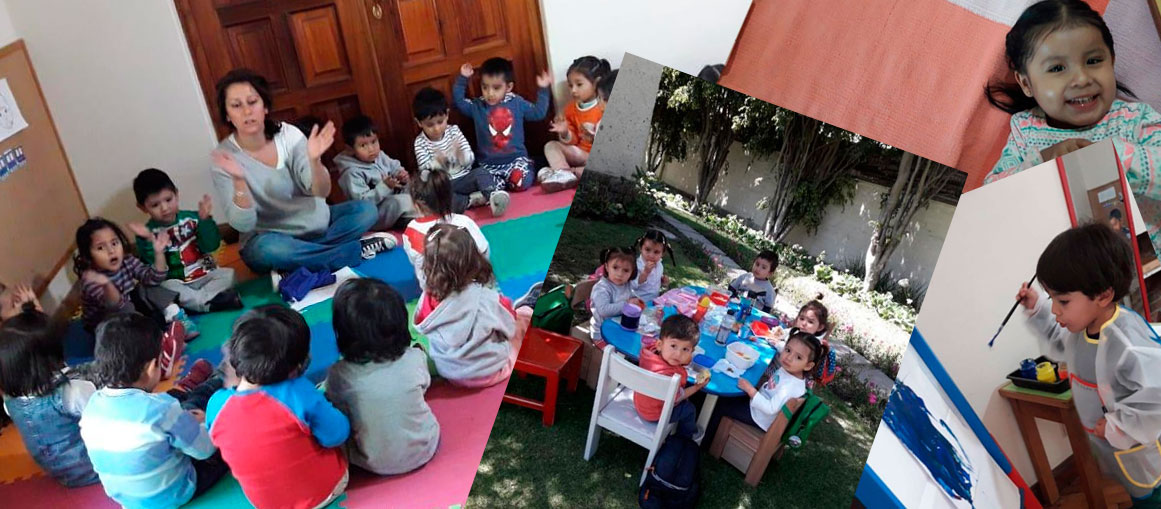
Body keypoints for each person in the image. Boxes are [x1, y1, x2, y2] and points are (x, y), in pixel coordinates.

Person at [983, 0, 1161, 255]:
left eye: (1093, 60)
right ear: (1026, 84)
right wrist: (1043, 164)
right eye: (1057, 68)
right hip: (1073, 272)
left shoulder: (1133, 119)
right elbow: (992, 199)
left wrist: (1113, 157)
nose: (1081, 78)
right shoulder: (1027, 130)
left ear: (1112, 62)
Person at [1016, 224, 1161, 505]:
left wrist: (1117, 425)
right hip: (1111, 447)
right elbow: (1059, 342)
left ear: (1103, 296)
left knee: (1150, 497)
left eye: (1063, 301)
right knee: (1132, 489)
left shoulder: (1126, 343)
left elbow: (1157, 397)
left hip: (1143, 452)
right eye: (1052, 299)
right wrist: (1036, 308)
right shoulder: (1080, 329)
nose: (1055, 310)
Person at [209, 68, 393, 274]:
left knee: (365, 211)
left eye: (252, 102)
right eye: (236, 105)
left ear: (265, 107)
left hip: (317, 224)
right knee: (266, 250)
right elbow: (243, 225)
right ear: (227, 114)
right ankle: (349, 253)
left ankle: (300, 262)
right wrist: (239, 181)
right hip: (272, 239)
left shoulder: (289, 135)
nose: (246, 111)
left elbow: (321, 191)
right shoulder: (224, 158)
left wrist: (314, 161)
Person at [207, 305, 350, 509]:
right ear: (296, 367)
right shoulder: (297, 392)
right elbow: (337, 434)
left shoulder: (216, 405)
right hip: (324, 491)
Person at [79, 313, 227, 508]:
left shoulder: (91, 409)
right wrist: (210, 421)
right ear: (151, 367)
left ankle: (199, 385)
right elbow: (205, 449)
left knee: (178, 408)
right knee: (224, 430)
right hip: (177, 491)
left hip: (128, 500)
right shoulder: (161, 409)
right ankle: (221, 377)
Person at [325, 279, 439, 475]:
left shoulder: (339, 375)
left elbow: (337, 408)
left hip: (374, 463)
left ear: (343, 333)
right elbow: (424, 386)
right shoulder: (414, 357)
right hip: (426, 446)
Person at [74, 218, 197, 372]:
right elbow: (115, 305)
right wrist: (106, 284)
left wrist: (159, 253)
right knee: (126, 309)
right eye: (100, 248)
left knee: (149, 288)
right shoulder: (91, 279)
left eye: (114, 243)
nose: (111, 251)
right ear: (88, 257)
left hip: (129, 306)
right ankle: (159, 343)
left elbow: (153, 278)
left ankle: (176, 317)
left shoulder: (127, 261)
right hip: (108, 323)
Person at [0, 306, 99, 487]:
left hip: (56, 471)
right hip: (93, 467)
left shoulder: (9, 401)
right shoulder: (72, 392)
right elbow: (107, 418)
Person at [413, 224, 519, 387]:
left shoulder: (427, 299)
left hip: (449, 373)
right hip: (491, 372)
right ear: (473, 260)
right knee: (524, 315)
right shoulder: (486, 299)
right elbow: (510, 328)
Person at [130, 168, 242, 313]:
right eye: (155, 205)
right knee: (165, 289)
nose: (164, 208)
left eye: (168, 200)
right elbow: (156, 269)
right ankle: (209, 303)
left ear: (176, 194)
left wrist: (205, 221)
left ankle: (197, 303)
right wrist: (148, 241)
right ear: (143, 208)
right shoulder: (147, 233)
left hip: (205, 272)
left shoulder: (193, 218)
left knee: (230, 275)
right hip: (176, 281)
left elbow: (211, 245)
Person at [703, 330, 829, 445]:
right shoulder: (790, 371)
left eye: (798, 357)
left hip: (760, 418)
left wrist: (750, 390)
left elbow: (770, 408)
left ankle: (705, 441)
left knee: (720, 404)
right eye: (788, 350)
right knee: (728, 394)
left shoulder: (791, 386)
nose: (789, 357)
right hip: (759, 407)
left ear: (808, 366)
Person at [454, 57, 552, 192]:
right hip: (488, 165)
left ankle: (515, 179)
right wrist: (462, 79)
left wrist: (543, 89)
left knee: (523, 180)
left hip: (516, 161)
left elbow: (538, 113)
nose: (490, 93)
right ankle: (497, 187)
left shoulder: (517, 102)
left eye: (496, 88)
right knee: (486, 185)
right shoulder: (478, 106)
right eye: (485, 87)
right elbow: (460, 102)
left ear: (509, 87)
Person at [412, 87, 509, 216]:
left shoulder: (454, 132)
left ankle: (492, 195)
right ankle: (470, 201)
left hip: (464, 179)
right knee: (435, 198)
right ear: (419, 123)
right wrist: (441, 162)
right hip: (444, 186)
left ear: (447, 114)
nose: (436, 128)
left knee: (481, 172)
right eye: (430, 125)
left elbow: (469, 158)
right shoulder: (420, 143)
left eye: (440, 122)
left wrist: (460, 156)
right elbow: (425, 173)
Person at [402, 169, 490, 289]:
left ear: (416, 204)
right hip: (472, 285)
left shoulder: (411, 230)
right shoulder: (464, 222)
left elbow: (418, 262)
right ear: (450, 198)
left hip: (436, 291)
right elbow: (484, 251)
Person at [538, 56, 612, 192]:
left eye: (579, 84)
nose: (573, 90)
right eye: (570, 85)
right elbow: (574, 141)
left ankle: (568, 173)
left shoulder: (605, 106)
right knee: (550, 145)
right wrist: (565, 132)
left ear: (596, 83)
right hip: (579, 154)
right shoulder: (570, 109)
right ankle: (564, 172)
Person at [334, 115, 418, 230]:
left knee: (418, 186)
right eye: (363, 145)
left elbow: (394, 166)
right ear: (350, 149)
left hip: (392, 201)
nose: (371, 149)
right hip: (374, 215)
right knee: (401, 201)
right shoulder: (350, 173)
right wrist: (384, 187)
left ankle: (411, 217)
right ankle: (408, 220)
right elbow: (362, 203)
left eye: (373, 142)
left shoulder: (379, 156)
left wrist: (401, 174)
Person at [633, 314, 709, 440]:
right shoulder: (670, 377)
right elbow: (680, 396)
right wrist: (697, 387)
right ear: (660, 344)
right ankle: (686, 436)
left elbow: (674, 354)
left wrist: (682, 357)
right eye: (674, 346)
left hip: (640, 402)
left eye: (685, 349)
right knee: (689, 409)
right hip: (654, 413)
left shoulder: (649, 352)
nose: (678, 354)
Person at [589, 246, 645, 347]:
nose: (620, 274)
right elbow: (603, 310)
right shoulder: (602, 288)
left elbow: (629, 295)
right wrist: (627, 304)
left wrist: (636, 299)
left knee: (641, 344)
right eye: (615, 268)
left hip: (619, 328)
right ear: (606, 266)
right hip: (601, 333)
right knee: (621, 355)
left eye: (626, 270)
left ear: (632, 272)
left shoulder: (626, 284)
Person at [632, 229, 676, 303]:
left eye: (656, 252)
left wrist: (663, 282)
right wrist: (645, 272)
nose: (651, 255)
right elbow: (632, 286)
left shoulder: (660, 265)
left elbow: (655, 284)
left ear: (662, 253)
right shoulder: (635, 265)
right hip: (637, 301)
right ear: (641, 248)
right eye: (647, 249)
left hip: (653, 301)